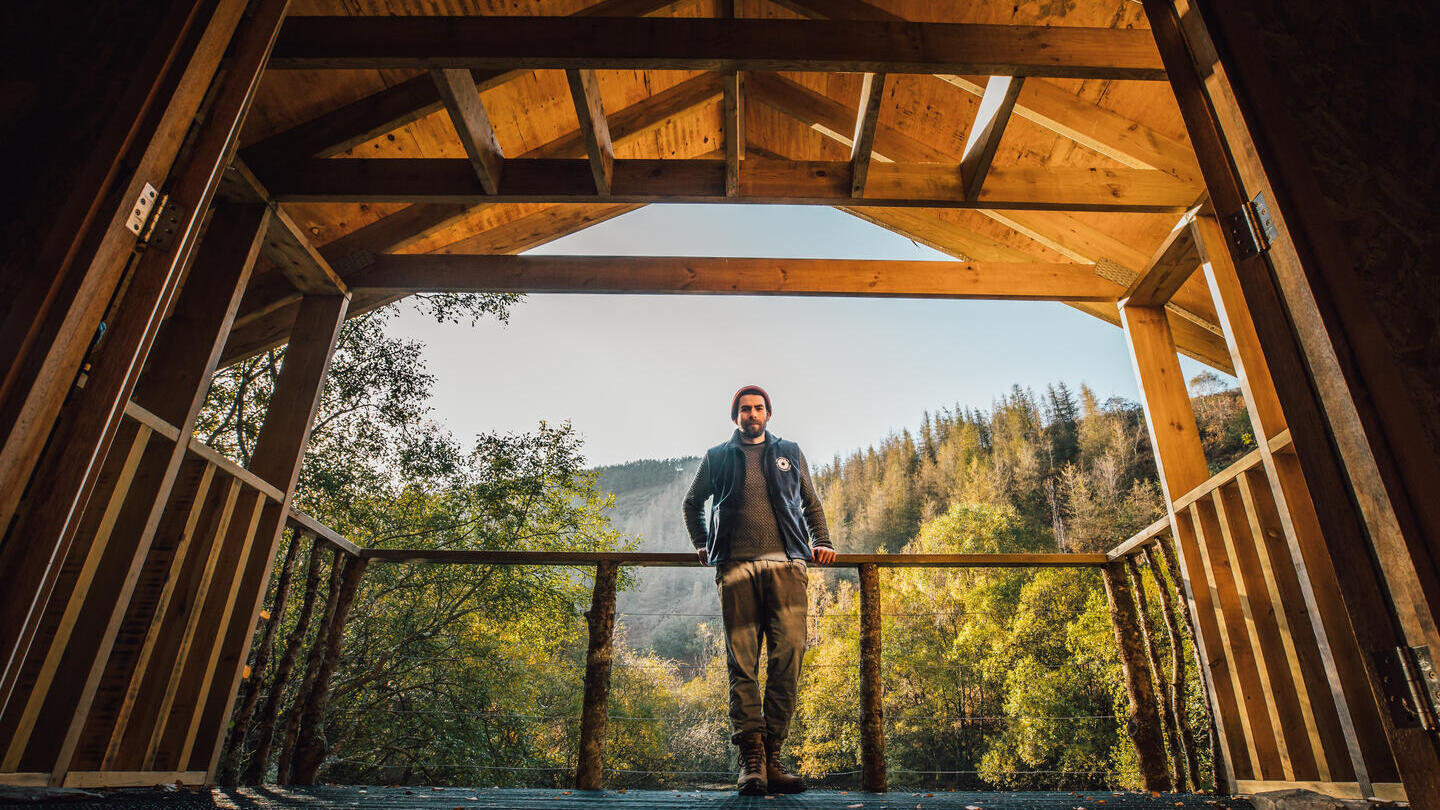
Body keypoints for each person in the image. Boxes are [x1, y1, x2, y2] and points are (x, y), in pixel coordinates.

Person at [682, 385, 836, 795]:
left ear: (768, 414)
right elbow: (692, 503)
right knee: (743, 665)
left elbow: (811, 502)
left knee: (787, 659)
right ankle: (751, 762)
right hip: (735, 570)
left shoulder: (789, 452)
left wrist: (823, 542)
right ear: (735, 416)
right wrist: (703, 543)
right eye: (745, 409)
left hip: (787, 566)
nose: (752, 414)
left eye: (759, 408)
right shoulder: (718, 457)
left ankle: (772, 757)